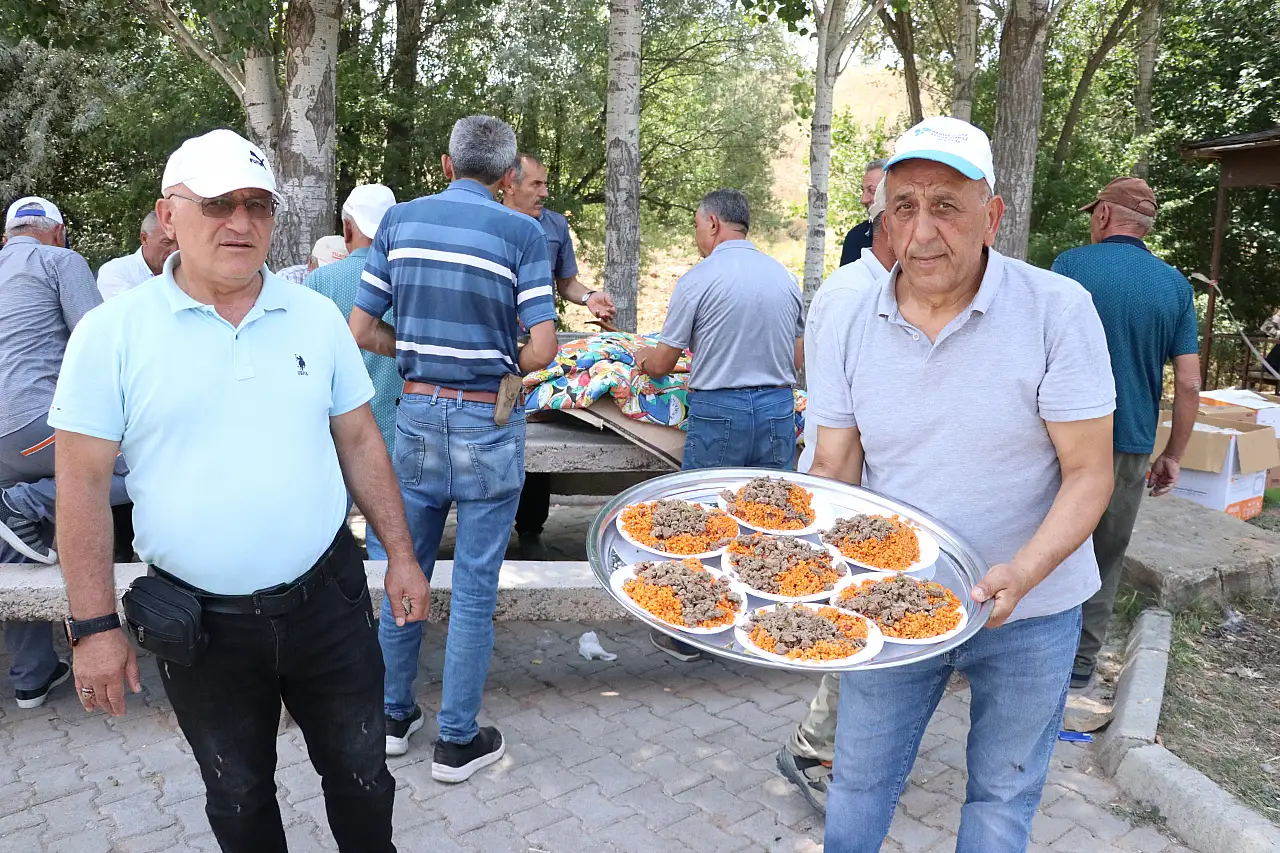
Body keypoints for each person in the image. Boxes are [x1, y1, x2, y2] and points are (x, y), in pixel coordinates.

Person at [49, 128, 428, 853]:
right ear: (168, 216)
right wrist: (93, 627)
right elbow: (82, 486)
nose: (241, 222)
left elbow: (359, 439)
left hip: (331, 603)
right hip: (203, 626)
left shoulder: (315, 316)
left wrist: (402, 555)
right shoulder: (110, 334)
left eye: (258, 205)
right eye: (218, 203)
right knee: (238, 790)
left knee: (362, 775)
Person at [805, 116, 1116, 852]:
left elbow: (1090, 471)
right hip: (890, 596)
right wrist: (793, 567)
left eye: (946, 205)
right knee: (857, 782)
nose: (921, 231)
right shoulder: (849, 318)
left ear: (992, 216)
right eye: (904, 206)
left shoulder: (1055, 310)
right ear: (883, 217)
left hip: (1030, 610)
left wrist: (1025, 571)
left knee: (1003, 795)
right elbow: (836, 469)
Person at [351, 116, 558, 772]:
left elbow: (360, 327)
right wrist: (504, 366)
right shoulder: (522, 231)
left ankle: (389, 715)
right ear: (505, 178)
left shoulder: (399, 222)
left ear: (445, 164)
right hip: (486, 423)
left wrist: (412, 355)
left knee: (402, 566)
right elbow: (545, 347)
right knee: (473, 586)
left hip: (415, 416)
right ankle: (456, 738)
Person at [636, 188, 804, 662]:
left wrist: (645, 359)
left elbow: (664, 362)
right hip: (776, 408)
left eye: (695, 226)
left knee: (705, 522)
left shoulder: (699, 279)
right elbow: (798, 354)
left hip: (719, 411)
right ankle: (769, 629)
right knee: (770, 521)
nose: (696, 236)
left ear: (712, 223)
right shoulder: (783, 277)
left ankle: (693, 633)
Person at [1052, 177, 1201, 704]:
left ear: (1105, 217)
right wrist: (1174, 455)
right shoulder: (1175, 287)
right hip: (1131, 444)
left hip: (1059, 440)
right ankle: (1079, 666)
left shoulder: (1070, 267)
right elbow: (1187, 381)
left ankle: (1016, 651)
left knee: (1042, 539)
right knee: (1103, 555)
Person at [777, 176, 896, 811]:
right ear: (887, 227)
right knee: (862, 623)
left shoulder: (874, 287)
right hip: (849, 485)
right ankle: (812, 747)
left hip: (861, 484)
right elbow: (842, 427)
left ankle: (832, 743)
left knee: (868, 622)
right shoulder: (859, 295)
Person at [0, 195, 126, 711]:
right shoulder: (59, 261)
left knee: (13, 546)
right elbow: (99, 341)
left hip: (8, 446)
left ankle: (31, 677)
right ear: (58, 231)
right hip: (33, 426)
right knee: (143, 466)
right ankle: (26, 504)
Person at [504, 152, 616, 556]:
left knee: (533, 428)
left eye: (546, 184)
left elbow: (565, 281)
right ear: (509, 184)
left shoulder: (554, 225)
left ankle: (530, 526)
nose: (544, 192)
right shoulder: (489, 220)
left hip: (539, 348)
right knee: (497, 427)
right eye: (536, 184)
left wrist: (588, 297)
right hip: (497, 347)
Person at [304, 185, 400, 561]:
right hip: (397, 431)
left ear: (347, 229)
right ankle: (394, 618)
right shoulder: (408, 281)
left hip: (334, 436)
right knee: (389, 544)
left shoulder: (320, 284)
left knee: (324, 540)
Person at [96, 212, 177, 299]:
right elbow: (133, 310)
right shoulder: (115, 271)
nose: (175, 250)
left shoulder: (184, 272)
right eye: (166, 242)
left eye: (181, 243)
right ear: (144, 239)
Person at [837, 158, 886, 267]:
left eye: (872, 191)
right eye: (863, 191)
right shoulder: (856, 237)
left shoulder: (919, 236)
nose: (863, 200)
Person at [279, 236, 346, 285]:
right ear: (310, 263)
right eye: (325, 271)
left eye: (339, 273)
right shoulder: (288, 279)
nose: (331, 278)